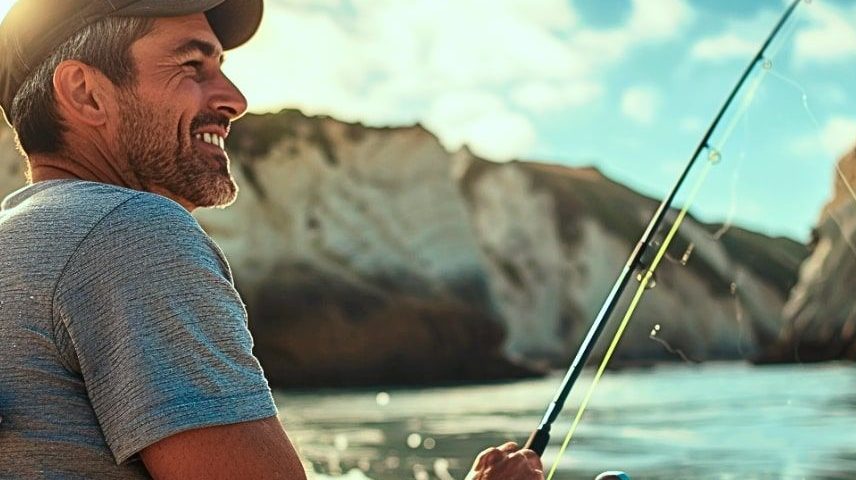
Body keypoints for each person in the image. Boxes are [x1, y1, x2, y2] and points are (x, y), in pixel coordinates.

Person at [0, 1, 543, 478]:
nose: (234, 99)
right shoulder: (131, 233)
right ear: (85, 92)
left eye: (222, 67)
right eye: (192, 65)